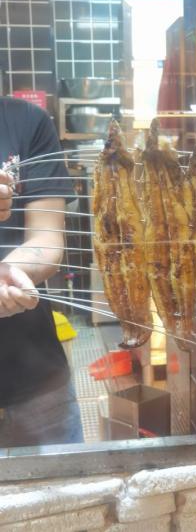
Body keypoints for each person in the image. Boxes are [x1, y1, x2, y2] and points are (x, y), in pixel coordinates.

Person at [0, 96, 83, 446]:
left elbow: (46, 238)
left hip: (37, 382)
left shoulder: (25, 119)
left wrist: (9, 273)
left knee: (72, 500)